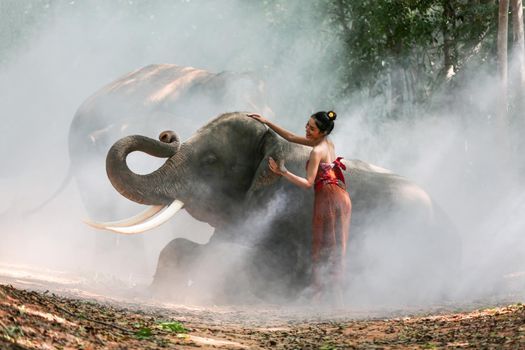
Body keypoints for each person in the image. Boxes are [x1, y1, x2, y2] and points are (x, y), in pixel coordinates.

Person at [248, 111, 351, 305]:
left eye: (311, 128)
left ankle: (321, 297)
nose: (307, 130)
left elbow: (307, 183)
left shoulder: (316, 151)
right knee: (338, 246)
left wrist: (282, 171)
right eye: (307, 125)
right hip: (341, 195)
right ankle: (336, 298)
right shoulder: (327, 144)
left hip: (328, 197)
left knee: (322, 246)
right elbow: (291, 137)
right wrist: (267, 121)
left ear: (322, 132)